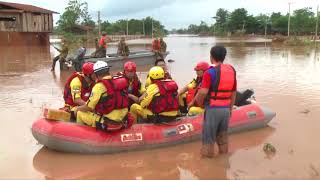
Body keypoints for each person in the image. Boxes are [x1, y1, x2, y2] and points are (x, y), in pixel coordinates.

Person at [193, 46, 237, 158]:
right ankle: (223, 161)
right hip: (226, 110)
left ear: (211, 57)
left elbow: (202, 92)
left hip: (213, 109)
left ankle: (207, 168)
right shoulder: (232, 70)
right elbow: (233, 92)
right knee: (223, 138)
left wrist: (198, 103)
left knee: (208, 139)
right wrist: (230, 108)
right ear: (224, 56)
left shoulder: (209, 72)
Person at [74, 61, 133, 132]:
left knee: (80, 113)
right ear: (108, 70)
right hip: (123, 119)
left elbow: (88, 107)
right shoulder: (119, 81)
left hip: (109, 122)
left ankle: (81, 134)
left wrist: (77, 109)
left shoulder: (99, 86)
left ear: (96, 74)